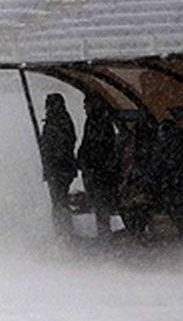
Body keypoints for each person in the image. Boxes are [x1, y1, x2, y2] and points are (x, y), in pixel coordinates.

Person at [76, 96, 121, 237]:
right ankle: (103, 229)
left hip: (97, 170)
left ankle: (103, 230)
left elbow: (94, 145)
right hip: (98, 169)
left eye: (86, 105)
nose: (84, 108)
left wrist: (86, 161)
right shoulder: (99, 120)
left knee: (100, 200)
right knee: (100, 200)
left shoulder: (96, 121)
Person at [38, 94, 77, 235]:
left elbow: (63, 144)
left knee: (59, 201)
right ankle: (62, 230)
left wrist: (52, 156)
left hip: (59, 169)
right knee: (59, 201)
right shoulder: (57, 120)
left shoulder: (59, 121)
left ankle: (64, 231)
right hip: (58, 169)